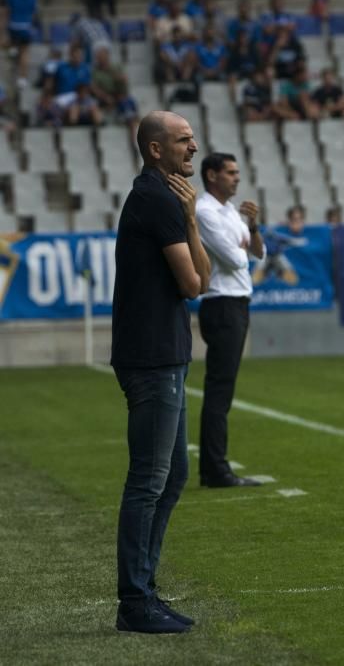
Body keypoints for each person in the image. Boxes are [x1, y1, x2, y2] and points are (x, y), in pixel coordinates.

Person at [111, 110, 211, 632]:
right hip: (152, 358)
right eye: (183, 140)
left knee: (172, 475)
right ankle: (135, 602)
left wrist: (192, 219)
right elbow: (194, 286)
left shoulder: (164, 199)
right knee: (149, 480)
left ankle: (144, 589)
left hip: (161, 355)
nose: (193, 148)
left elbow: (203, 276)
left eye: (192, 139)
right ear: (156, 149)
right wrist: (188, 220)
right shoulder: (156, 198)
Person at [196, 152, 265, 488]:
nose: (237, 178)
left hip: (236, 303)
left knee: (222, 389)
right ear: (212, 175)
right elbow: (237, 260)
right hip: (221, 303)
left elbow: (258, 252)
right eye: (230, 172)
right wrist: (243, 244)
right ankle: (215, 470)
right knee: (219, 390)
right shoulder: (204, 211)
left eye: (238, 172)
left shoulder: (229, 212)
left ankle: (215, 467)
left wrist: (251, 227)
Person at [6, 0, 38, 86]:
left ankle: (13, 48)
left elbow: (8, 11)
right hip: (25, 27)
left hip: (13, 26)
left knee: (12, 35)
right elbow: (34, 14)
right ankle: (22, 78)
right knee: (24, 53)